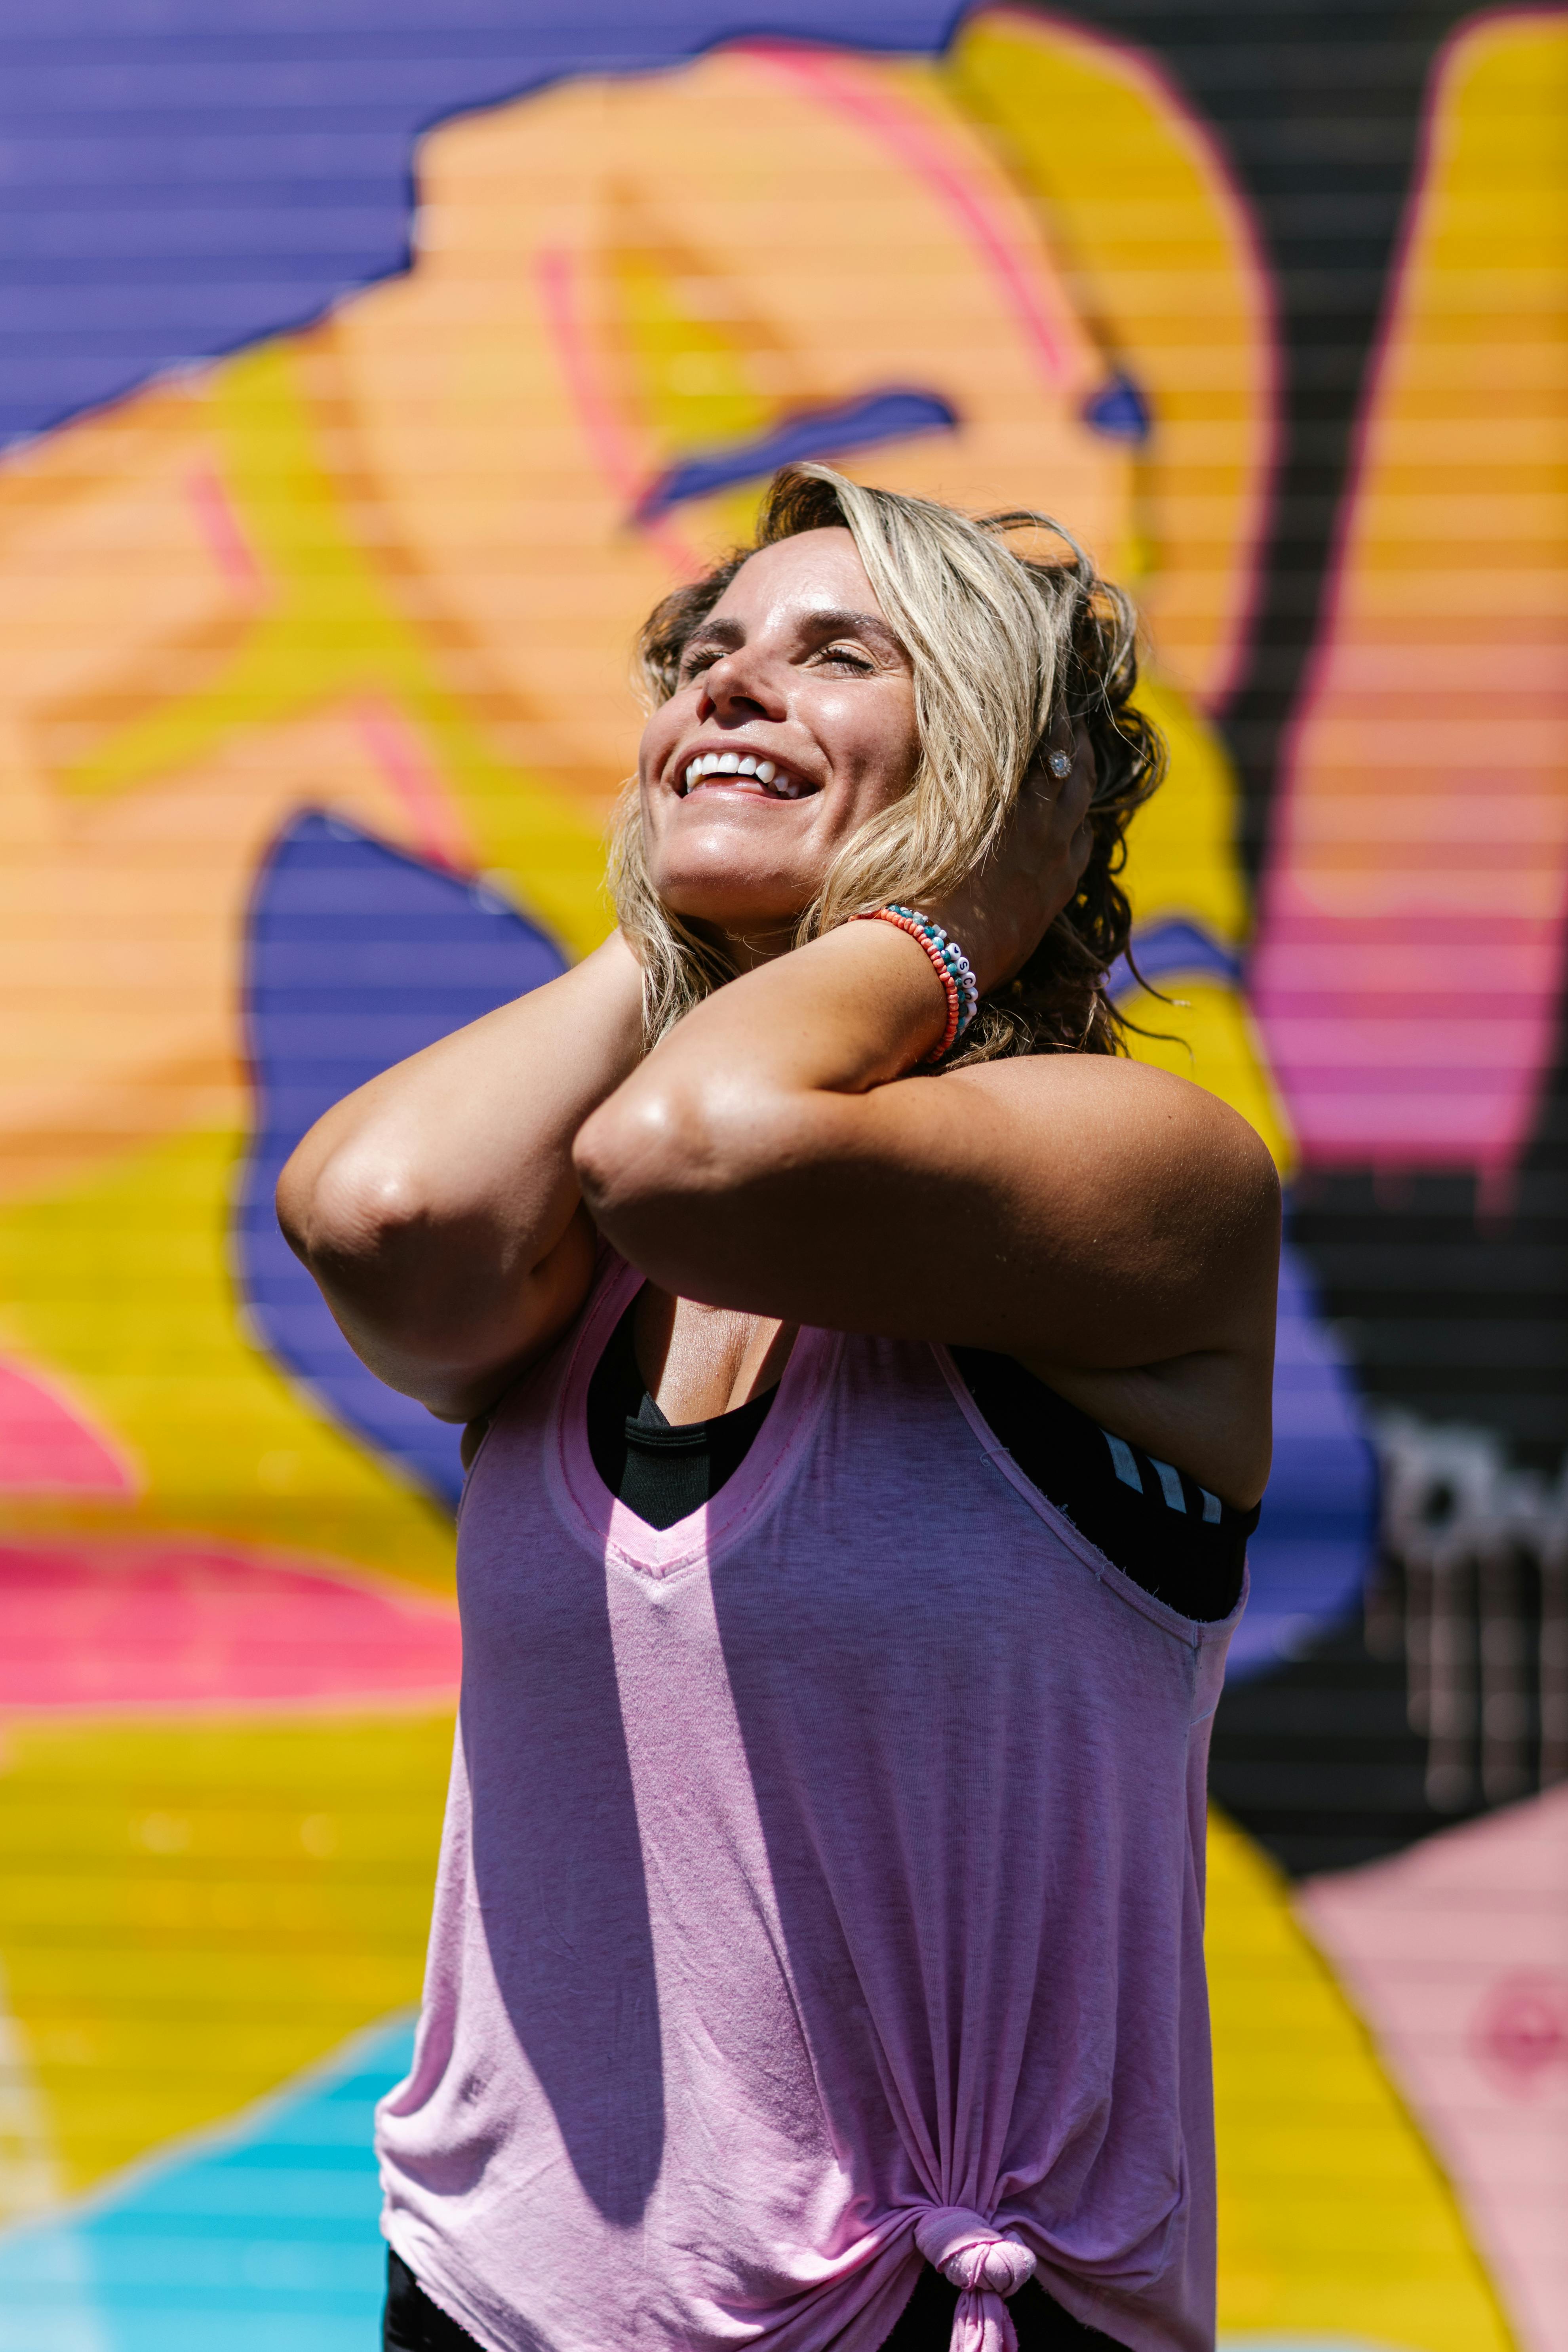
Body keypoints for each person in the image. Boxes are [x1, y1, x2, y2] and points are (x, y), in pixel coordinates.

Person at [278, 465, 1280, 2352]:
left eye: (838, 658)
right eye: (699, 666)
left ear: (1002, 773)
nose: (728, 693)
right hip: (498, 2303)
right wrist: (675, 918)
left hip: (937, 2312)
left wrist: (964, 909)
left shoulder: (1156, 1167)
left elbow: (701, 1141)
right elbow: (379, 1209)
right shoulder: (583, 1243)